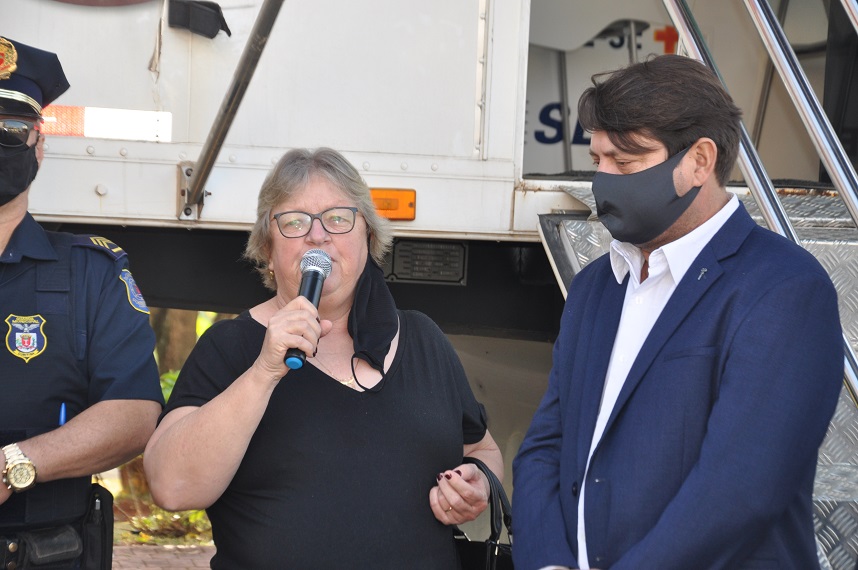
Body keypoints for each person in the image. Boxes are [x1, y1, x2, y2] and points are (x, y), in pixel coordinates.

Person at [512, 54, 843, 570]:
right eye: (598, 160)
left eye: (626, 162)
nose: (603, 180)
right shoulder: (597, 287)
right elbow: (545, 450)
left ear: (699, 161)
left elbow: (741, 490)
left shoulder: (784, 289)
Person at [143, 147, 503, 569]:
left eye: (337, 217)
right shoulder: (230, 348)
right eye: (295, 222)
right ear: (267, 247)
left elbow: (481, 447)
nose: (318, 236)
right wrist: (264, 372)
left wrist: (480, 484)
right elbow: (172, 487)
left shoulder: (423, 339)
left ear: (367, 236)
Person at [0, 36, 164, 568]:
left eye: (9, 131)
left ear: (38, 146)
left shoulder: (90, 274)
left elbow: (136, 413)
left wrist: (14, 466)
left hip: (42, 553)